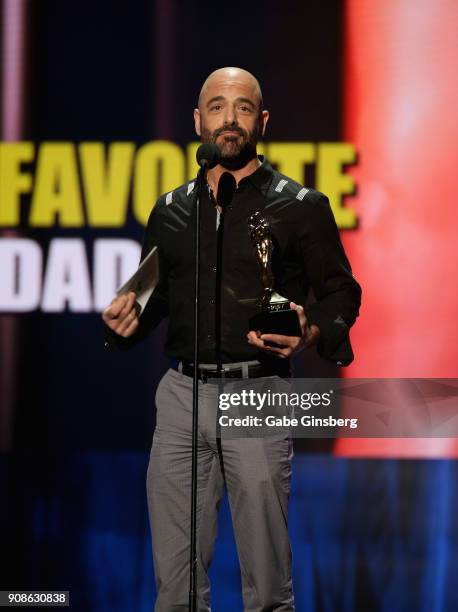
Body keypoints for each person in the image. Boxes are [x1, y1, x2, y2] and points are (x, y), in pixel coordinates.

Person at [103, 67, 361, 611]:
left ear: (261, 121)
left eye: (242, 108)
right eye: (217, 107)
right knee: (175, 592)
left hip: (258, 394)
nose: (229, 119)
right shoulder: (171, 211)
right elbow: (154, 306)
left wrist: (312, 329)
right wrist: (126, 322)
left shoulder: (301, 208)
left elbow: (343, 296)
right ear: (198, 121)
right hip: (180, 397)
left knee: (267, 589)